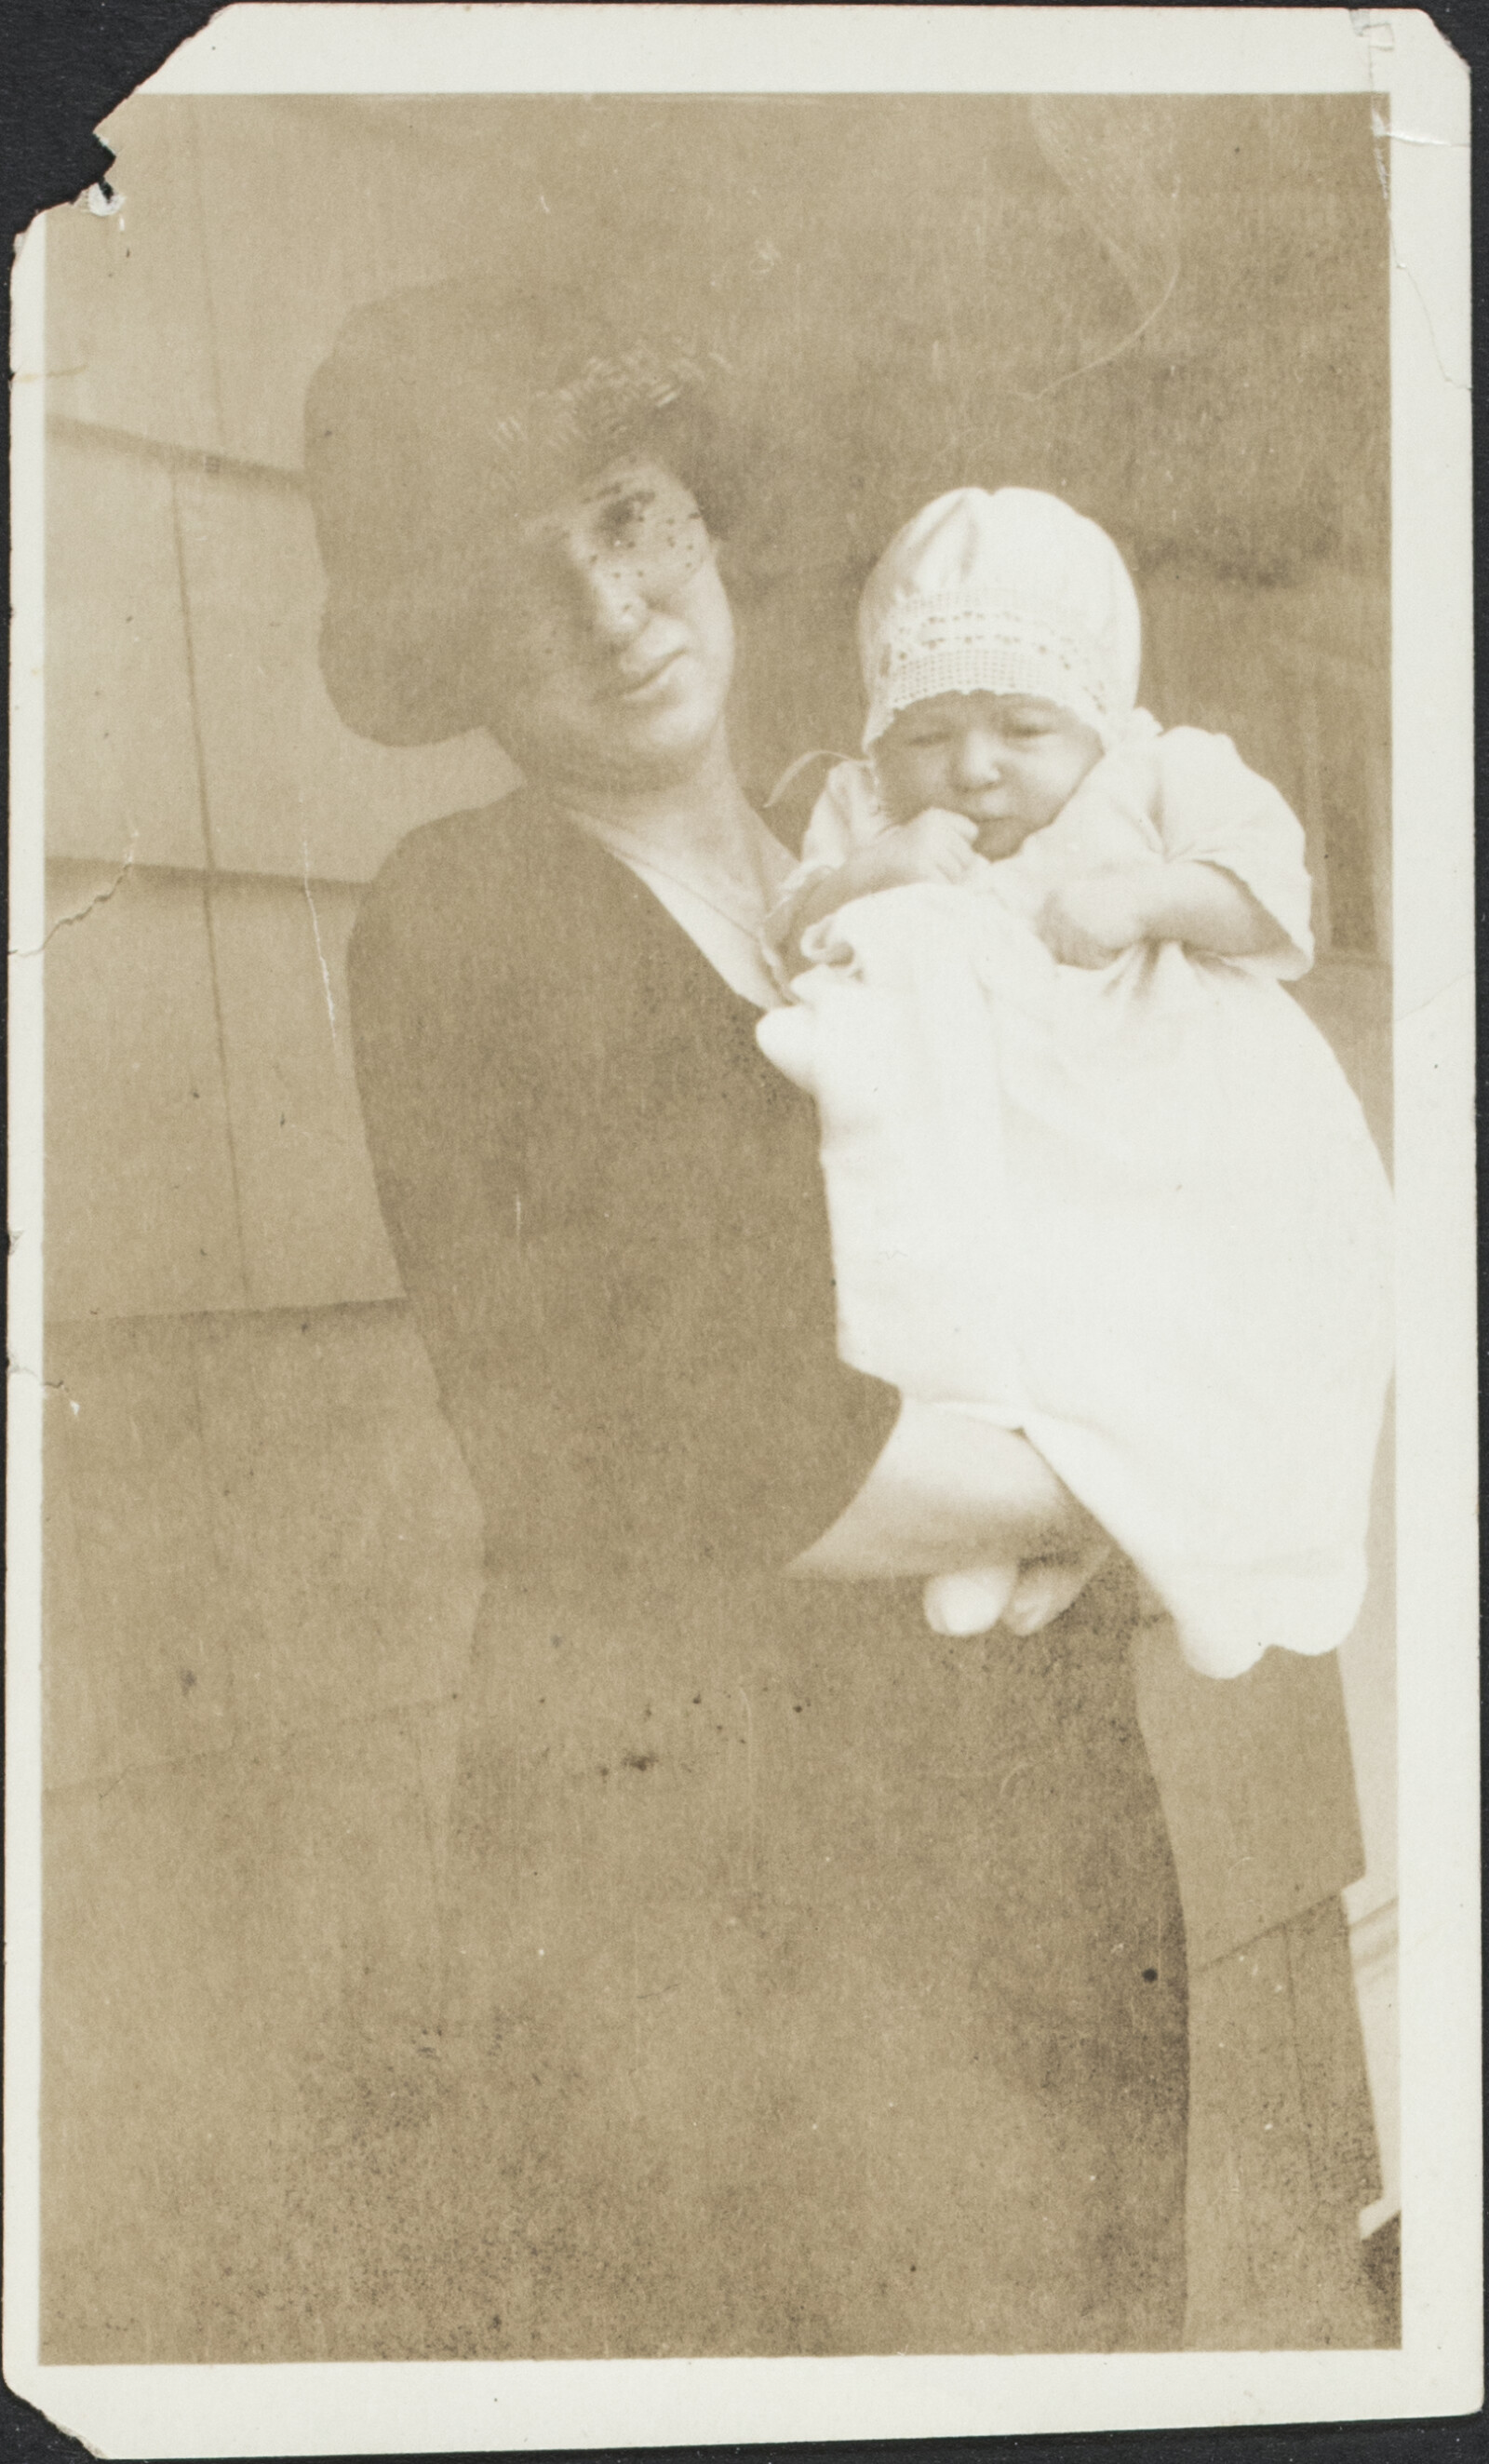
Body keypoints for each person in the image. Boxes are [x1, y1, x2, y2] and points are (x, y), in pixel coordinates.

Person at [307, 281, 1188, 2359]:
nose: (614, 607)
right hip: (721, 1894)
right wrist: (1123, 1482)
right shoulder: (468, 922)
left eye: (626, 517)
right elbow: (680, 1447)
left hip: (1028, 1822)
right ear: (448, 653)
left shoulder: (887, 863)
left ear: (695, 515)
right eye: (522, 582)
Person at [758, 488, 1392, 1677]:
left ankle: (1113, 1531)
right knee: (994, 1312)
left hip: (1140, 1104)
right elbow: (786, 928)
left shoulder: (1157, 774)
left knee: (1151, 1323)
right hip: (982, 1140)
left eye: (1018, 727)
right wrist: (873, 873)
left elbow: (1268, 891)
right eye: (928, 732)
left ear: (1094, 719)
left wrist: (1144, 898)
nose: (972, 768)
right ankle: (1002, 1529)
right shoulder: (860, 808)